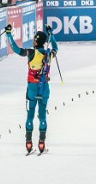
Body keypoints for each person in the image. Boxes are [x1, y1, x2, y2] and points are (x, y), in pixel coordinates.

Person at [6, 24, 58, 154]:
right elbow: (56, 47)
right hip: (44, 88)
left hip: (32, 88)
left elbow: (16, 49)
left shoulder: (31, 52)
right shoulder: (48, 54)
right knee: (42, 116)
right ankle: (41, 143)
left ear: (36, 41)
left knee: (30, 116)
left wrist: (8, 34)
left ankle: (28, 143)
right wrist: (51, 35)